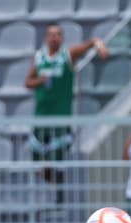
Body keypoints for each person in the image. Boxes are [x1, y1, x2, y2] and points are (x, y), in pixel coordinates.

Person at [25, 23, 108, 203]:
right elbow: (28, 82)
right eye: (50, 34)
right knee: (39, 159)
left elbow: (87, 45)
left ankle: (60, 200)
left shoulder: (67, 55)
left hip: (61, 118)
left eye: (57, 35)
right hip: (41, 118)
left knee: (59, 159)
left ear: (62, 38)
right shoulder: (39, 58)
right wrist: (40, 80)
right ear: (46, 38)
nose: (54, 38)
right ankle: (51, 191)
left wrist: (97, 43)